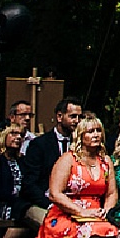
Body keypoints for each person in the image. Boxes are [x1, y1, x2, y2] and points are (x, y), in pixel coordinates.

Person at [33, 114, 118, 238]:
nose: (96, 135)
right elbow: (55, 193)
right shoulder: (68, 159)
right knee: (92, 234)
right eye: (90, 131)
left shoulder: (106, 161)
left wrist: (107, 210)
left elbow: (111, 193)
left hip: (97, 214)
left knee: (110, 234)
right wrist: (81, 212)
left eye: (98, 131)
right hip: (67, 213)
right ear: (80, 135)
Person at [21, 96, 83, 228]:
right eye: (73, 116)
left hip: (73, 203)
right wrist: (50, 204)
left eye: (79, 117)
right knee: (56, 225)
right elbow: (29, 183)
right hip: (40, 202)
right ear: (60, 117)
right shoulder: (39, 144)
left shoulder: (81, 145)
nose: (77, 121)